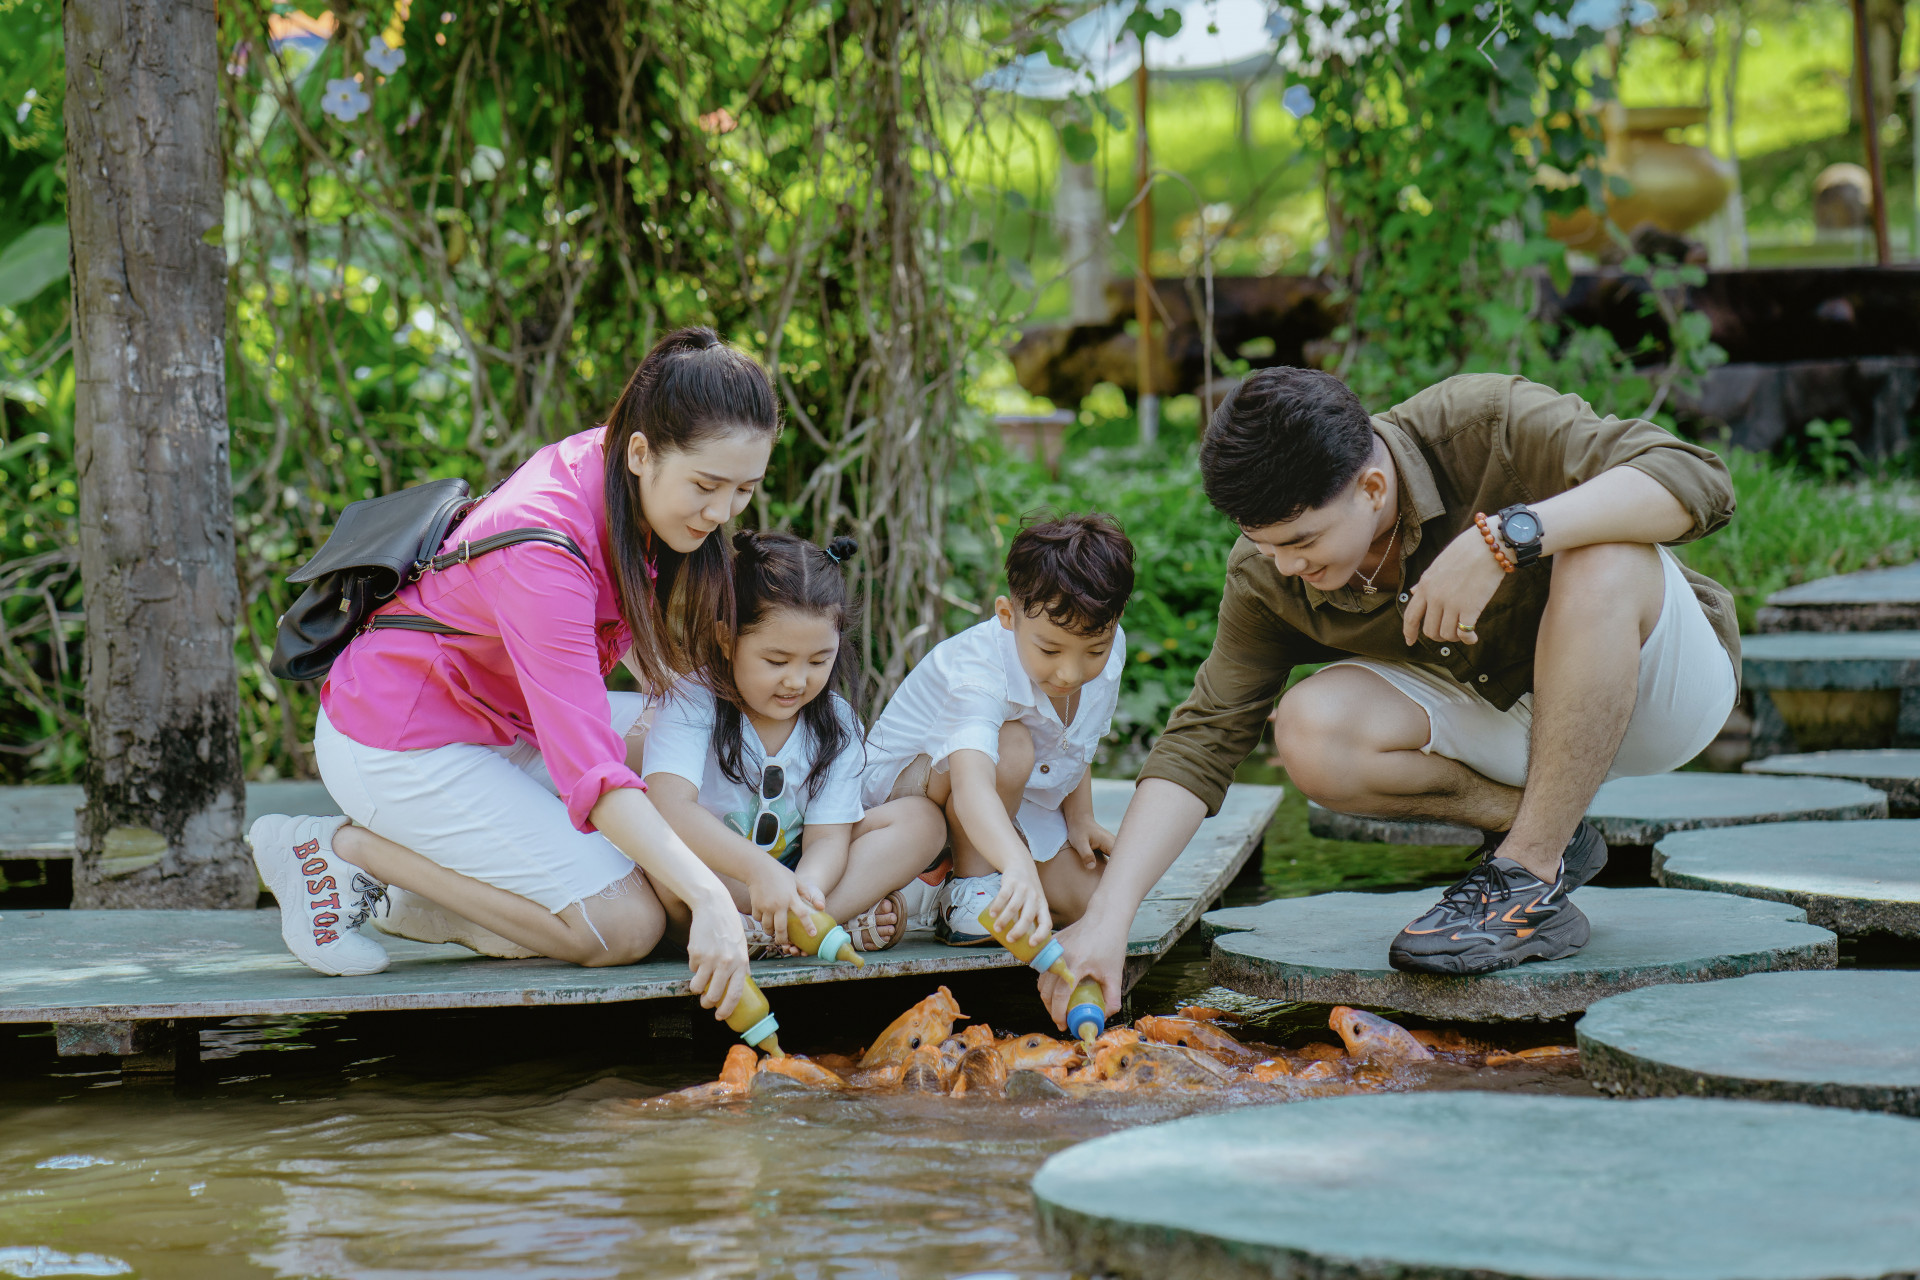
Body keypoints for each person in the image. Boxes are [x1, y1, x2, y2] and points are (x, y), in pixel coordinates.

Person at [1043, 370, 1739, 1021]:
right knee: (1311, 727)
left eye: (1303, 540)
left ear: (1373, 489)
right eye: (1265, 543)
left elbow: (1698, 478)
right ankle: (1549, 843)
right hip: (1518, 725)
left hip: (1662, 694)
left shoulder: (1485, 422)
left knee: (1603, 552)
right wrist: (1109, 919)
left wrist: (1505, 540)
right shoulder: (1270, 573)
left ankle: (1525, 876)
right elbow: (1203, 739)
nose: (1286, 565)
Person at [247, 327, 778, 1028]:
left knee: (691, 750)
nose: (721, 515)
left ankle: (436, 888)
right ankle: (340, 851)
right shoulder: (543, 546)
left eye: (744, 490)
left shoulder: (621, 468)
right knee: (623, 927)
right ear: (642, 453)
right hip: (403, 741)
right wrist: (710, 897)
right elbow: (590, 770)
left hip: (506, 718)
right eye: (707, 487)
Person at [642, 530, 944, 956]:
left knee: (921, 822)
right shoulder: (693, 702)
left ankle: (804, 925)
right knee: (661, 862)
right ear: (727, 639)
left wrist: (809, 891)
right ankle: (812, 929)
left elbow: (827, 839)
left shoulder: (836, 720)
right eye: (776, 661)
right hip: (718, 880)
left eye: (819, 661)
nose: (797, 680)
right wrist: (760, 874)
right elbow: (669, 809)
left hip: (797, 877)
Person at [860, 514, 1135, 952]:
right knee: (1012, 743)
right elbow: (972, 787)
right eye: (1049, 649)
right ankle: (966, 886)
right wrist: (1015, 862)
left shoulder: (1108, 649)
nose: (1070, 671)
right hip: (909, 799)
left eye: (1094, 650)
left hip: (1006, 793)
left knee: (1090, 901)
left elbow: (1075, 739)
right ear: (1008, 614)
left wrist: (1080, 818)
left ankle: (935, 887)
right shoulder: (978, 671)